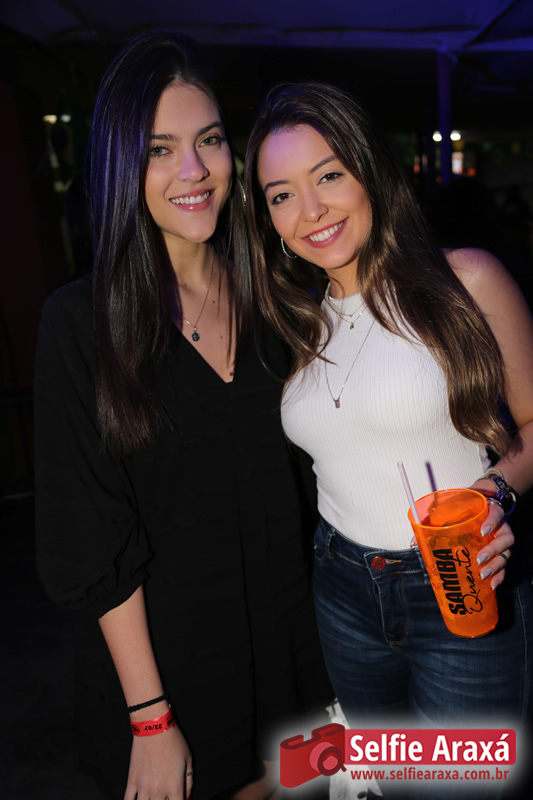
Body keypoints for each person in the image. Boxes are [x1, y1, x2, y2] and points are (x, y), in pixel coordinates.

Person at [34, 38, 332, 800]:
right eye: (159, 150)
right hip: (170, 677)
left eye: (209, 140)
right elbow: (89, 537)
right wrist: (150, 717)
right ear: (119, 165)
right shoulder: (80, 324)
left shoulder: (280, 298)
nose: (193, 170)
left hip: (296, 652)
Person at [244, 81, 533, 797]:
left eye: (328, 176)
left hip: (459, 585)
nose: (310, 211)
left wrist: (495, 493)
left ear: (368, 168)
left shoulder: (464, 281)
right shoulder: (295, 321)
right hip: (340, 586)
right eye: (281, 194)